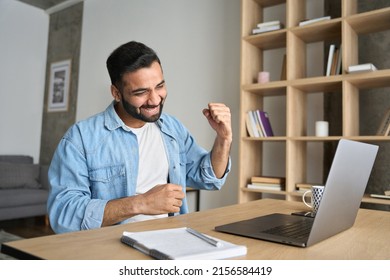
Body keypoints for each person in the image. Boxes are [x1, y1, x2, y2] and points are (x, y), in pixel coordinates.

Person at [47, 41, 232, 233]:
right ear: (116, 93)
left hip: (172, 237)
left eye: (159, 86)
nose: (155, 100)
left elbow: (208, 178)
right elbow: (64, 215)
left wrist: (223, 138)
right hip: (110, 247)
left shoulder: (172, 127)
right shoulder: (80, 138)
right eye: (141, 92)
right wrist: (141, 204)